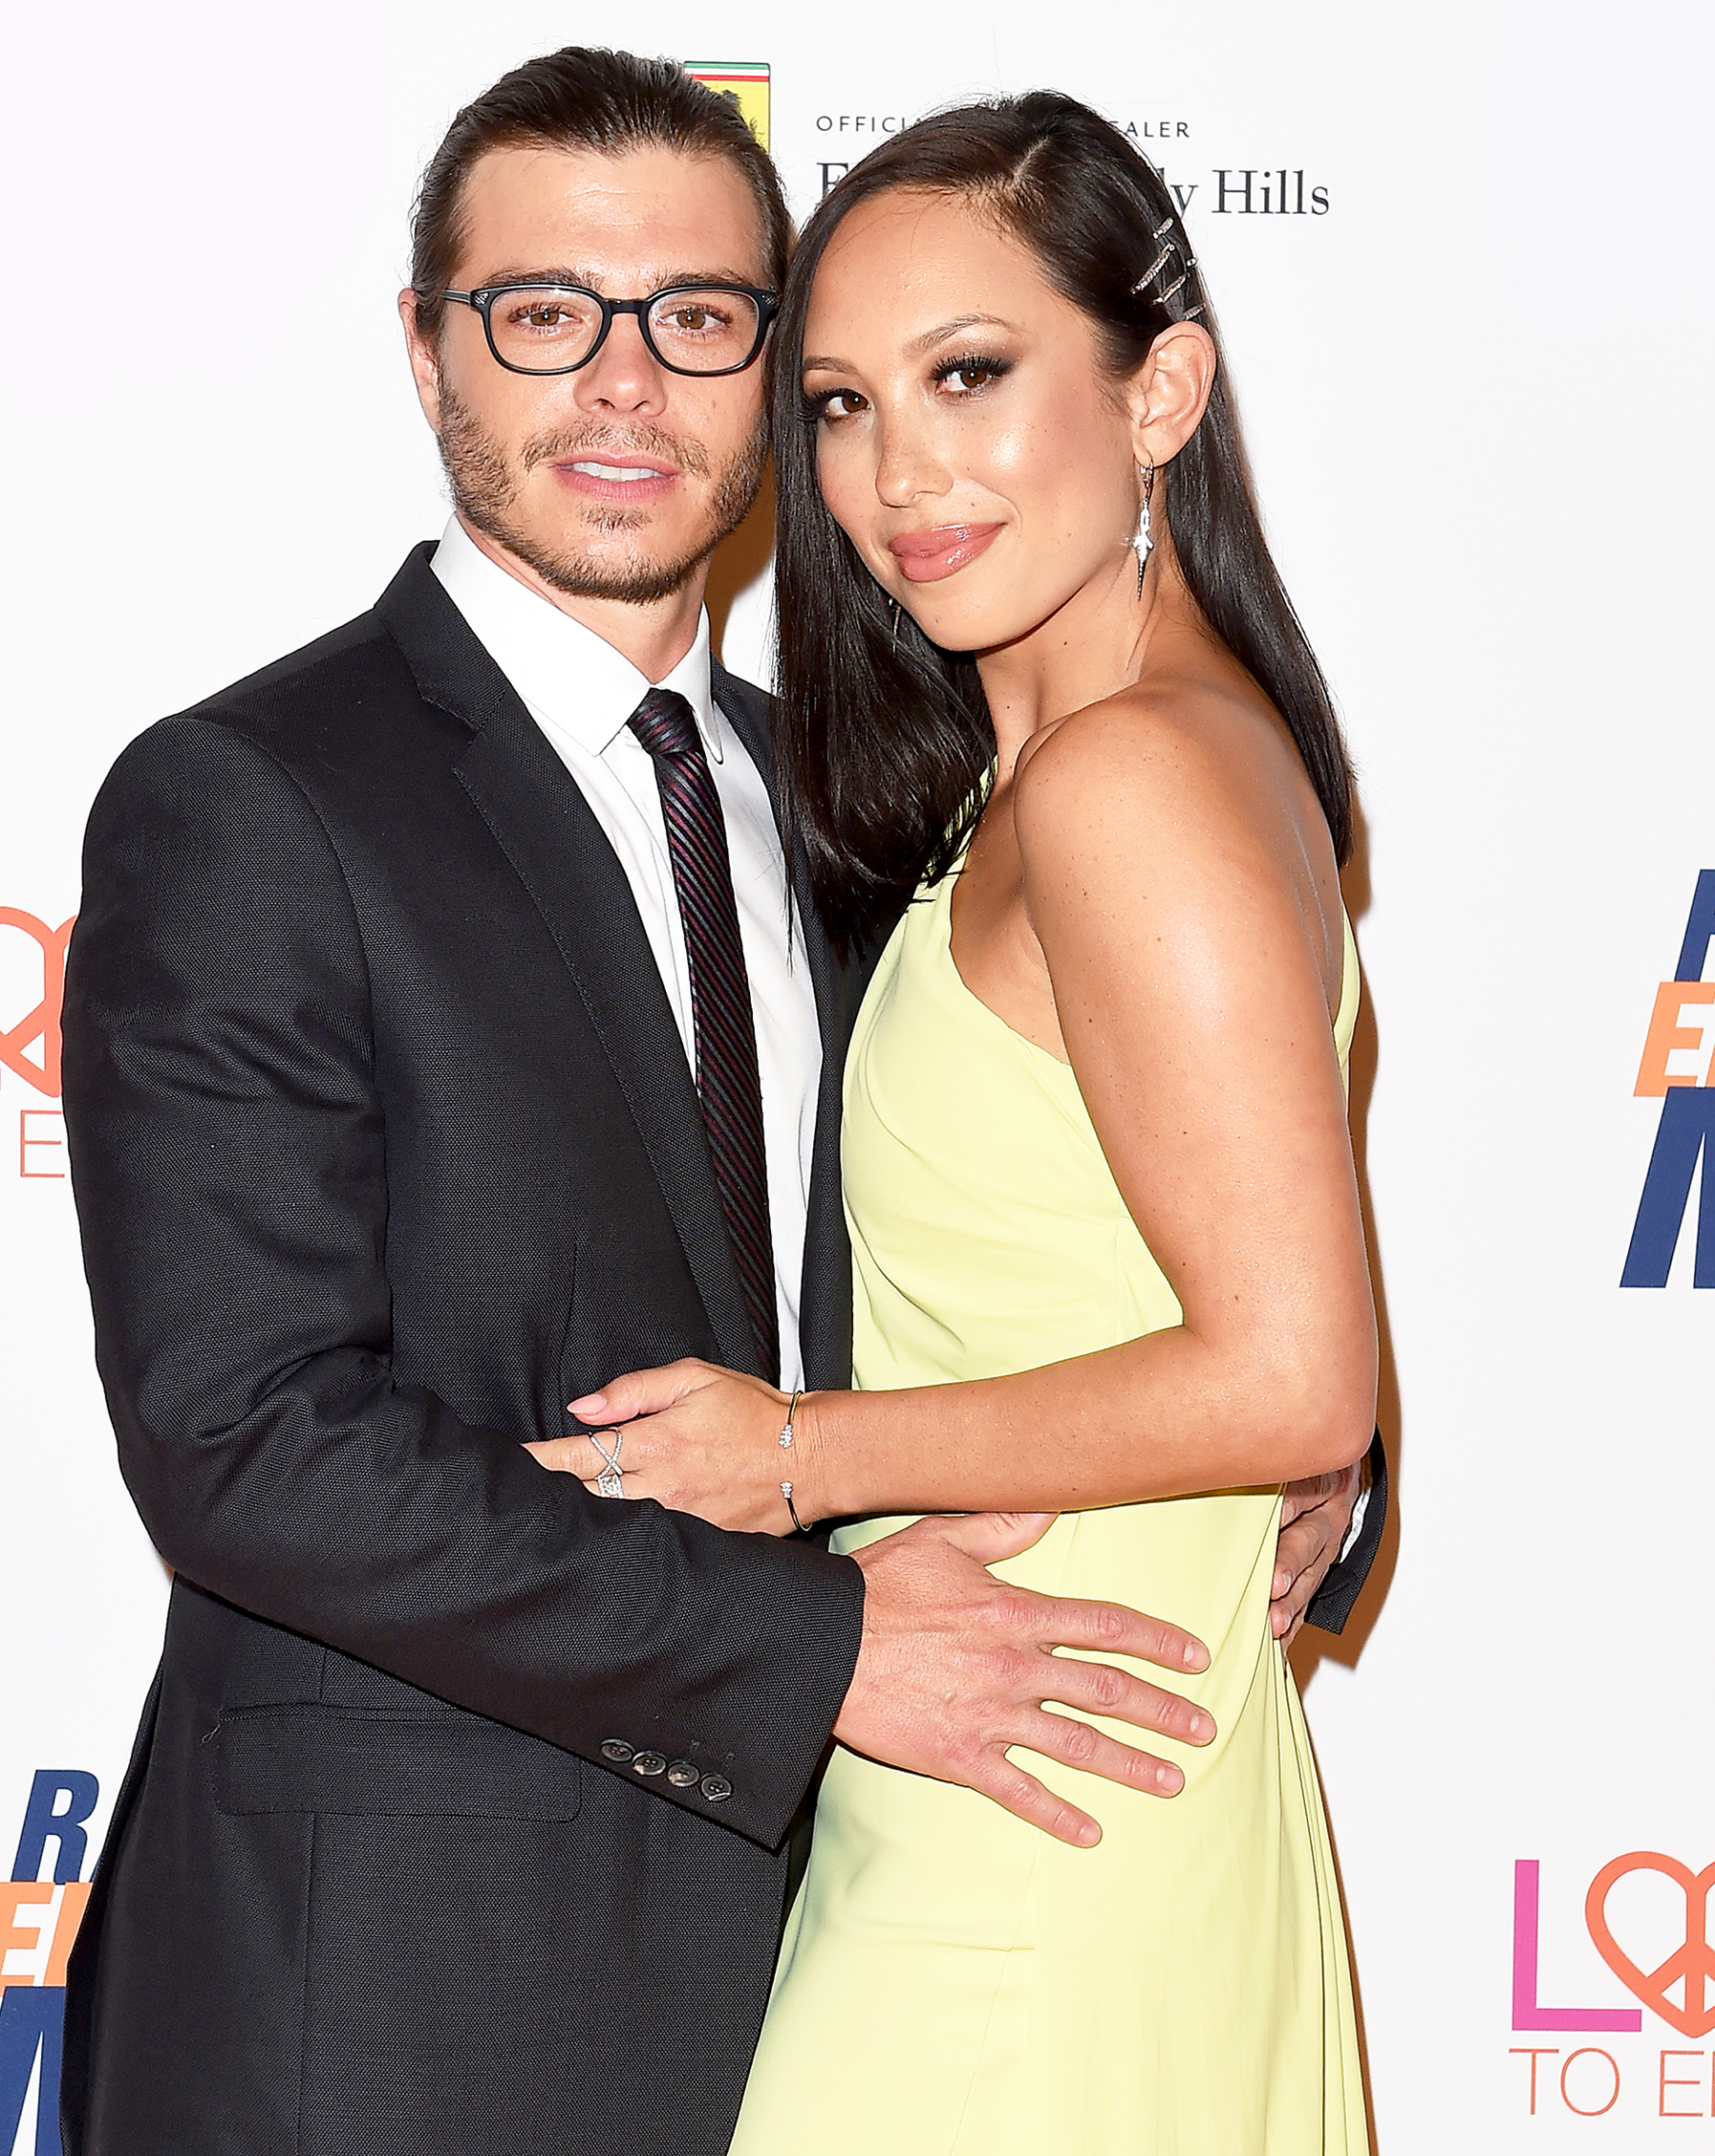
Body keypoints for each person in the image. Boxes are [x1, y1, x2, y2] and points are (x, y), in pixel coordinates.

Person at [58, 53, 1381, 2156]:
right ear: (426, 351)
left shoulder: (871, 808)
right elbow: (248, 1442)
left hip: (837, 1927)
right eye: (539, 313)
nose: (619, 384)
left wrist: (1281, 1482)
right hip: (403, 1990)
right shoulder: (256, 801)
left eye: (697, 319)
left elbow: (1103, 1250)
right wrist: (821, 1639)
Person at [529, 95, 1380, 2151]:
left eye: (970, 376)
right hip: (1049, 1758)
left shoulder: (1129, 786)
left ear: (1158, 388)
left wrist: (802, 1453)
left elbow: (1288, 1367)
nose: (895, 471)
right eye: (838, 401)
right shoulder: (1102, 768)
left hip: (1050, 1813)